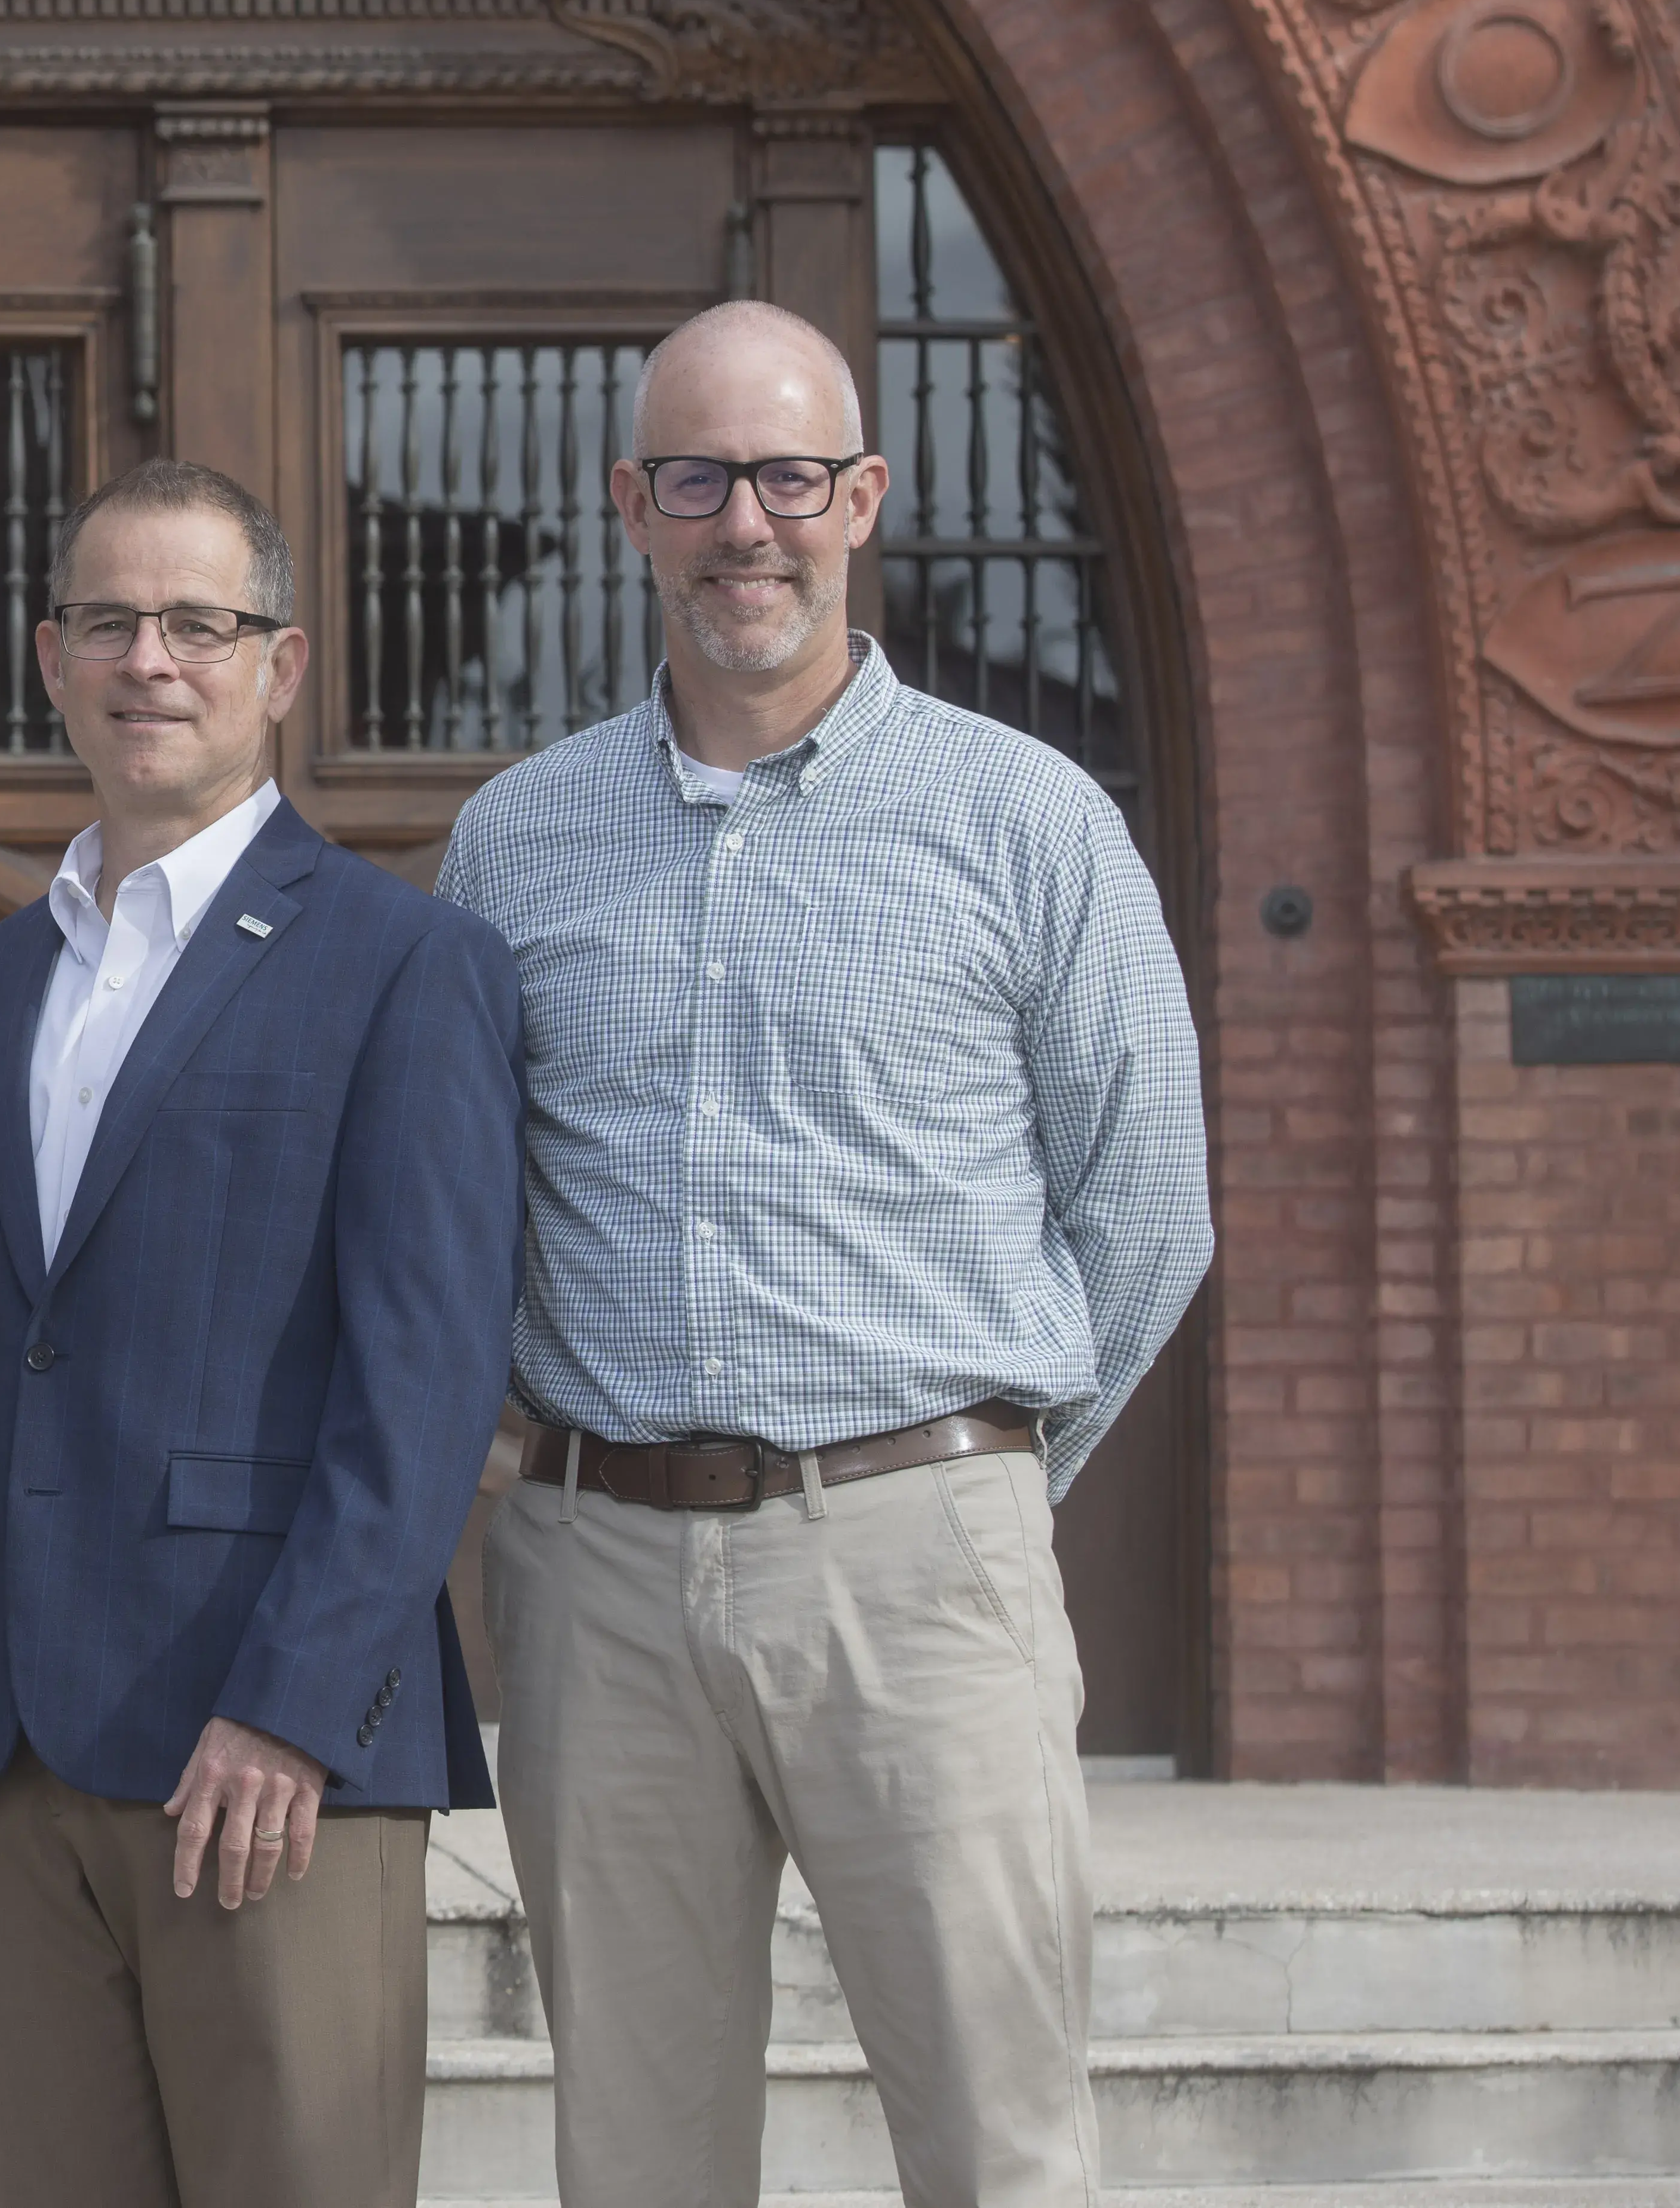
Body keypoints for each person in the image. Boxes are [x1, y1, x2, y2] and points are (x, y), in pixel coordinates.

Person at [438, 299, 1211, 2208]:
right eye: (695, 479)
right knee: (634, 2152)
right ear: (631, 505)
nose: (744, 526)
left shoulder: (1025, 821)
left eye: (788, 477)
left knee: (996, 2142)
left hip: (916, 1568)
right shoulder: (513, 842)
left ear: (860, 499)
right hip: (597, 1577)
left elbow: (1145, 1208)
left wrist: (977, 1486)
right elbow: (464, 1211)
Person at [0, 457, 525, 2208]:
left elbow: (427, 1381)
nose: (149, 658)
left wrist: (296, 1705)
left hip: (264, 1751)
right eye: (108, 621)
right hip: (8, 1757)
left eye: (197, 624)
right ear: (49, 657)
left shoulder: (402, 963)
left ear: (281, 666)